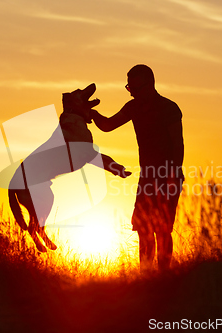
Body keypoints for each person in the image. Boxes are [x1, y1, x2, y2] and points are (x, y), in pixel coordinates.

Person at [90, 64, 184, 272]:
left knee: (162, 230)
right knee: (143, 229)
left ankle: (163, 276)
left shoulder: (169, 108)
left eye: (135, 88)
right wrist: (91, 113)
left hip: (168, 176)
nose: (131, 92)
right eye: (129, 88)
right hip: (148, 178)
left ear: (149, 85)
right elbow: (107, 125)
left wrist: (172, 175)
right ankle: (146, 275)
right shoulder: (133, 107)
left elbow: (178, 145)